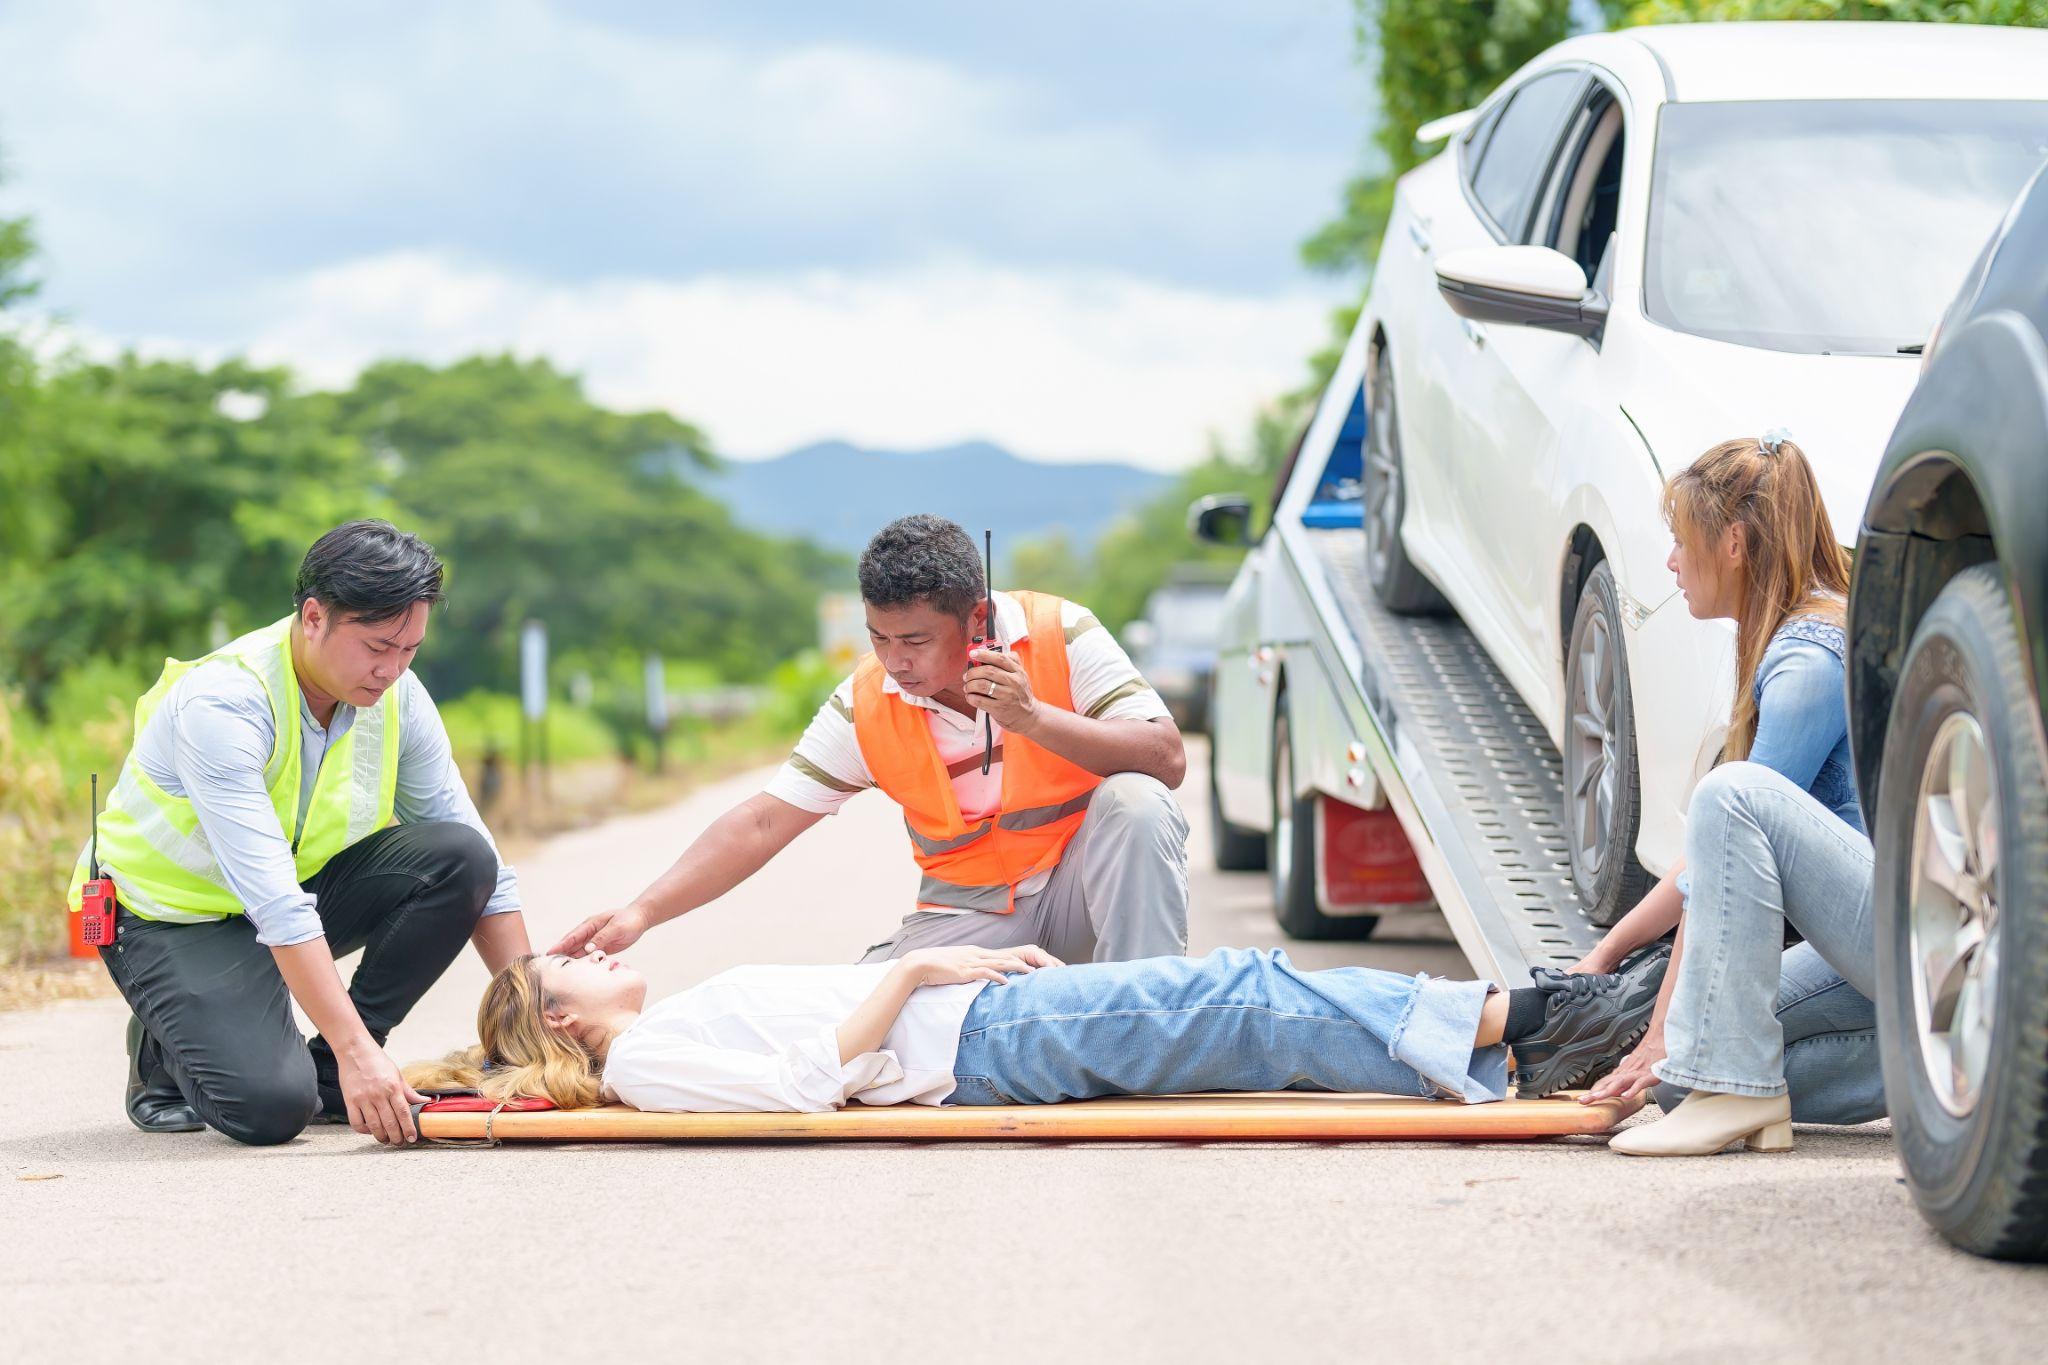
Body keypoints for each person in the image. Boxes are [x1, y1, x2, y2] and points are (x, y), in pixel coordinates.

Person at [550, 514, 1193, 968]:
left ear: (976, 618)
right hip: (969, 921)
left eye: (915, 640)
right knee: (858, 1020)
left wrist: (1032, 718)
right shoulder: (864, 701)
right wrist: (641, 913)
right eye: (878, 637)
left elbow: (1165, 758)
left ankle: (1149, 1014)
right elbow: (763, 821)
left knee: (1136, 801)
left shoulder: (1062, 632)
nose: (894, 660)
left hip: (1086, 901)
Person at [68, 521, 532, 1148]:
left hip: (283, 901)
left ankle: (335, 1072)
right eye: (377, 646)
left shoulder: (397, 696)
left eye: (409, 649)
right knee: (271, 1110)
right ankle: (164, 1044)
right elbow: (276, 903)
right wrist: (358, 1051)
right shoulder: (226, 703)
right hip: (168, 917)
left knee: (462, 858)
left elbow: (484, 868)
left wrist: (534, 1021)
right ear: (314, 617)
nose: (392, 669)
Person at [1561, 432, 1882, 1155]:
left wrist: (1661, 1031)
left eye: (1682, 540)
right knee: (1683, 1080)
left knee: (1728, 795)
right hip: (1872, 943)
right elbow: (1700, 867)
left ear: (1733, 542)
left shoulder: (1810, 660)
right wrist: (1606, 954)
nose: (1672, 561)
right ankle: (1951, 1067)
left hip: (1907, 931)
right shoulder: (1799, 632)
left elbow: (1717, 868)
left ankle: (1740, 1085)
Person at [407, 940, 1667, 1115]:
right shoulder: (647, 1057)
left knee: (1254, 1011)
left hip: (980, 1019)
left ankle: (1515, 1037)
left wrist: (936, 971)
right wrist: (915, 972)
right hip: (982, 1046)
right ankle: (1530, 1016)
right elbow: (801, 1085)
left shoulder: (660, 1028)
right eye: (574, 962)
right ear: (561, 1016)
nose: (597, 950)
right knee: (1244, 994)